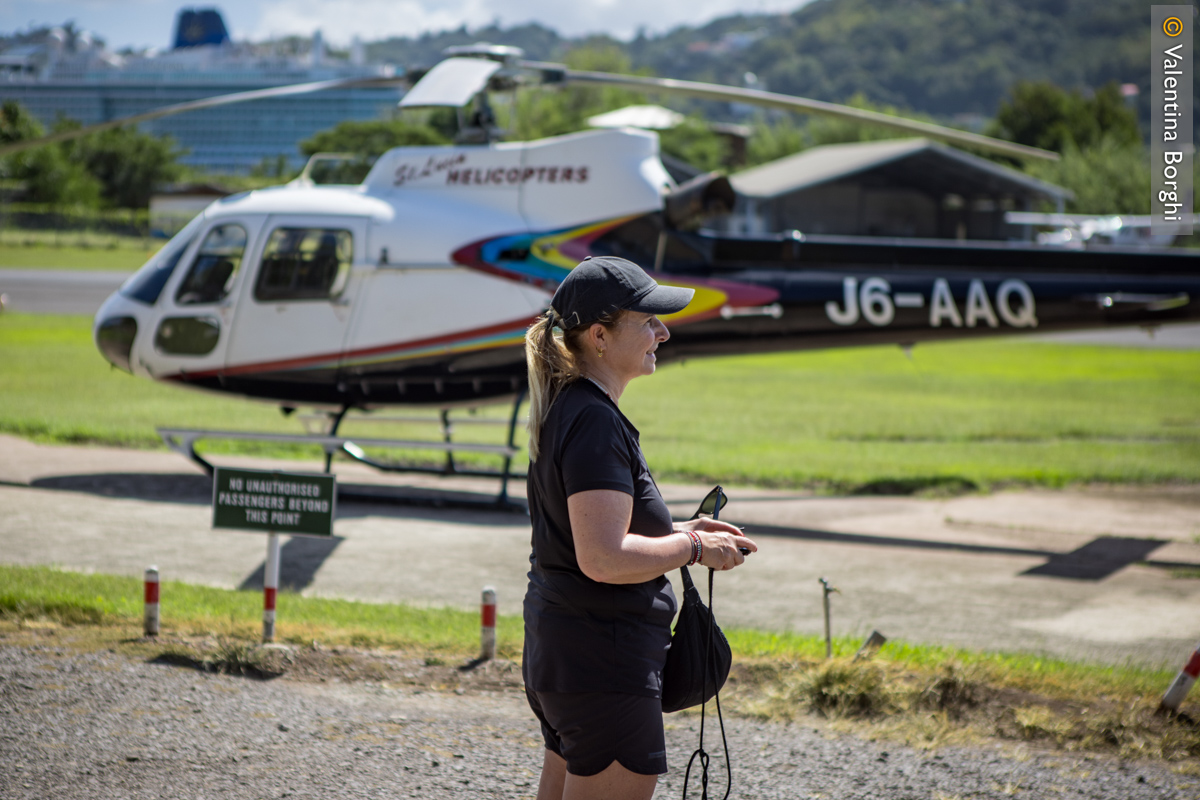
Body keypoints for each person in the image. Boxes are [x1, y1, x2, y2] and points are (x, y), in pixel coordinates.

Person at [522, 256, 757, 800]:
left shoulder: (574, 408)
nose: (663, 331)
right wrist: (695, 546)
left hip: (572, 656)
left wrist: (678, 528)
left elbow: (593, 530)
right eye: (648, 319)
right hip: (604, 664)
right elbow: (602, 557)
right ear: (599, 336)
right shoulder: (595, 421)